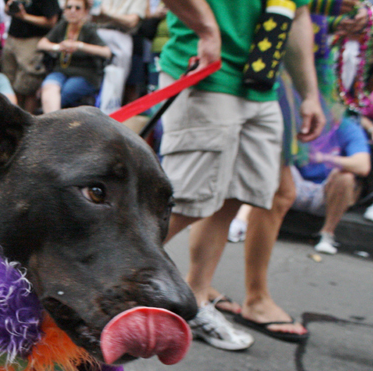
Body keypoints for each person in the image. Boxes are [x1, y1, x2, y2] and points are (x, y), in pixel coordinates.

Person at [159, 1, 324, 351]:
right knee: (185, 202)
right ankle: (83, 286)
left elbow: (297, 16)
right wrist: (205, 29)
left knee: (233, 195)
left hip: (261, 84)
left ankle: (196, 300)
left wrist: (309, 94)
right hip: (208, 69)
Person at [291, 117, 371, 254]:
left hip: (325, 191)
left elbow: (363, 165)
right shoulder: (296, 119)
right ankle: (248, 221)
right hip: (292, 184)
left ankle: (327, 234)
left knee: (346, 177)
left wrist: (325, 159)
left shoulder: (347, 127)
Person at [37, 0, 112, 112]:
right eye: (69, 7)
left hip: (84, 74)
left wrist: (80, 46)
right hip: (61, 71)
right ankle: (54, 123)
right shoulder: (63, 26)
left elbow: (107, 52)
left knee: (65, 92)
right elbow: (41, 44)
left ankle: (53, 122)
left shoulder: (88, 29)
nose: (73, 11)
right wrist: (59, 47)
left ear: (85, 11)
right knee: (48, 87)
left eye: (77, 8)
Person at [1, 0, 58, 114]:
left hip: (32, 40)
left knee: (28, 85)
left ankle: (27, 123)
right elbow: (7, 8)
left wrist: (25, 16)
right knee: (9, 83)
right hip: (12, 38)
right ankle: (11, 121)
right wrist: (8, 8)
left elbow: (52, 21)